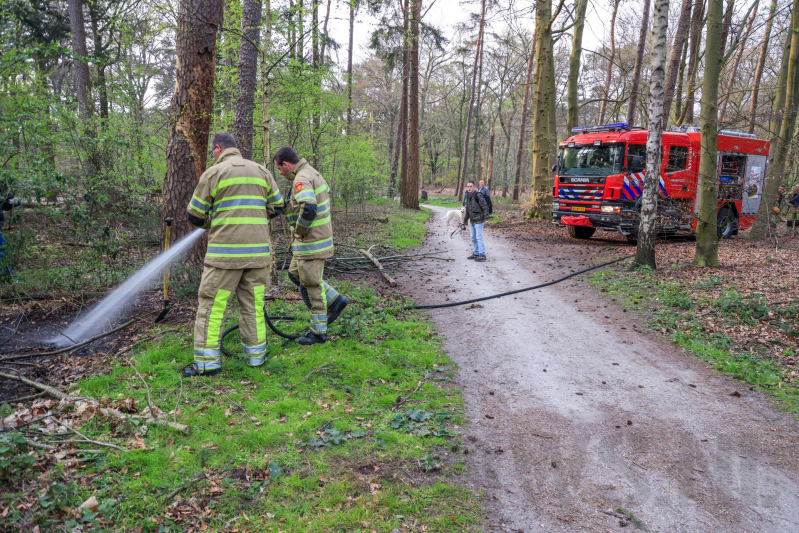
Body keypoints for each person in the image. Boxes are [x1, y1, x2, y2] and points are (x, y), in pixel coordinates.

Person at [182, 132, 285, 377]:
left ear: (218, 148)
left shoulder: (214, 173)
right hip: (258, 257)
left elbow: (194, 214)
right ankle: (256, 359)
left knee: (213, 307)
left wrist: (213, 223)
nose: (212, 156)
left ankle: (207, 364)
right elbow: (278, 207)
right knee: (253, 307)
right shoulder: (262, 171)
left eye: (211, 151)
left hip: (224, 257)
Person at [273, 146, 348, 345]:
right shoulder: (311, 172)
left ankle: (318, 333)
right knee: (294, 274)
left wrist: (299, 230)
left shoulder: (301, 179)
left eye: (279, 169)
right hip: (311, 243)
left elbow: (309, 208)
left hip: (311, 243)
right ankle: (336, 301)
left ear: (286, 165)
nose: (280, 173)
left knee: (311, 285)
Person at [461, 181, 489, 262]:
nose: (469, 188)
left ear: (474, 187)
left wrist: (486, 218)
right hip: (472, 221)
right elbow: (468, 211)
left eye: (471, 186)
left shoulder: (478, 195)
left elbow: (485, 207)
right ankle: (476, 253)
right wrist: (464, 221)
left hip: (479, 220)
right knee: (473, 238)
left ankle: (482, 254)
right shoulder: (468, 196)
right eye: (468, 186)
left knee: (479, 237)